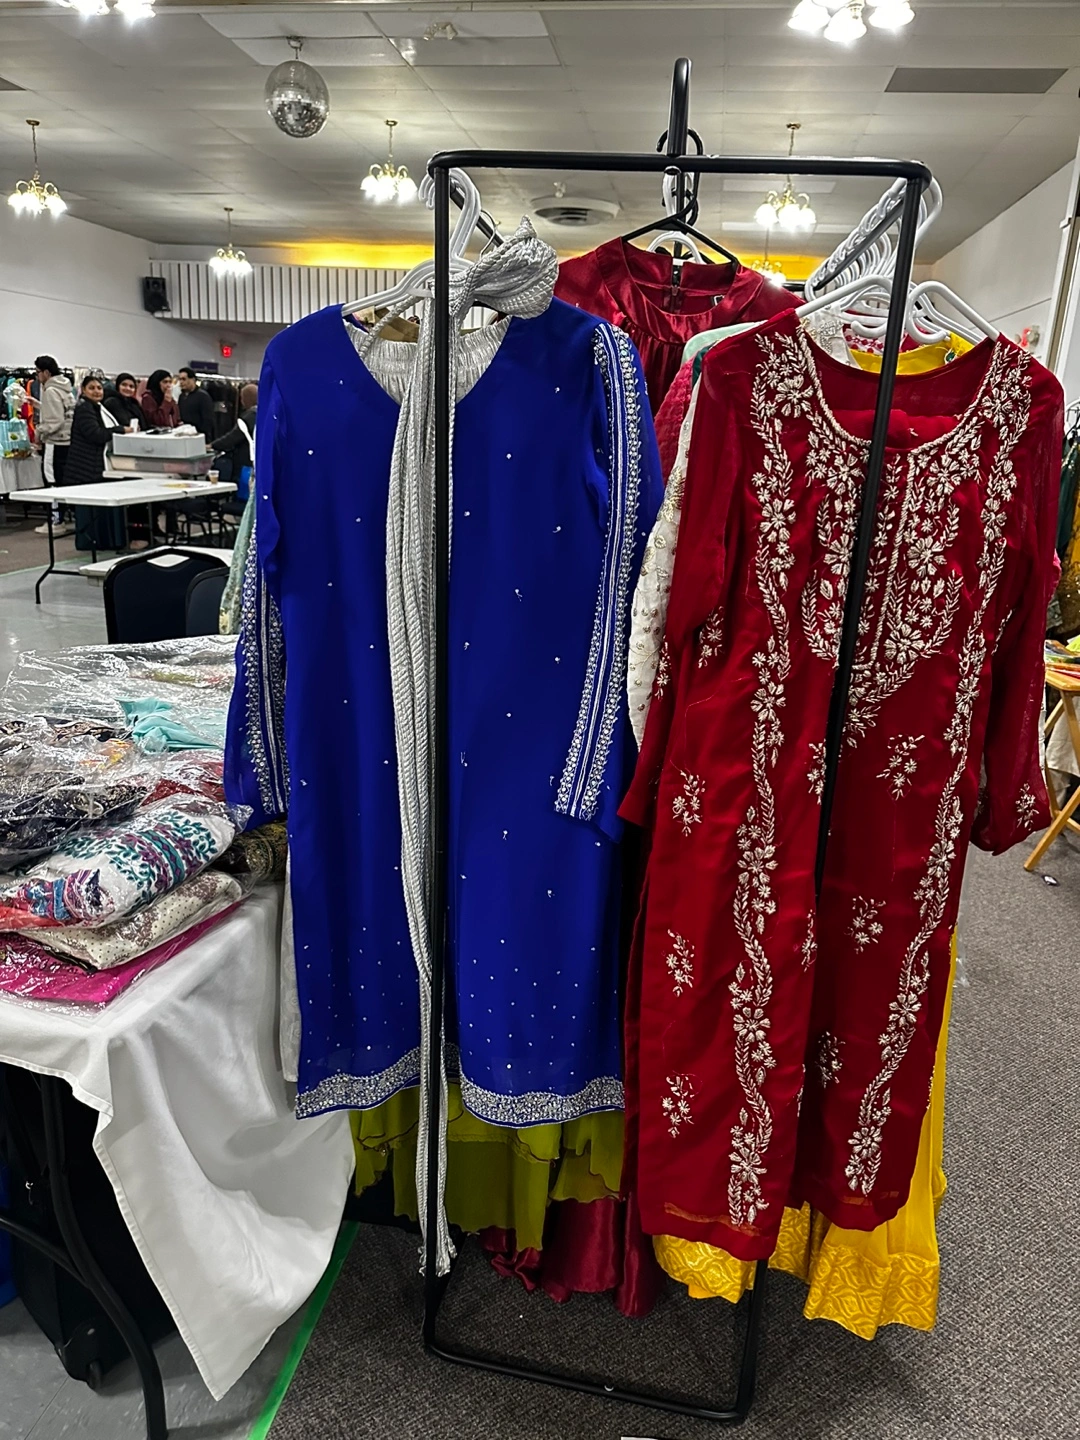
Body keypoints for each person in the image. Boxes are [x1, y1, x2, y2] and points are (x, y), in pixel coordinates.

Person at [67, 374, 130, 553]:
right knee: (89, 510)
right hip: (85, 467)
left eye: (99, 388)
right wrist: (120, 430)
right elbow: (95, 434)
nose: (97, 391)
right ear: (83, 390)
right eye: (92, 388)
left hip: (93, 464)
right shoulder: (85, 409)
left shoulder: (97, 407)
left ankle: (103, 541)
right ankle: (92, 542)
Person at [32, 355, 76, 537]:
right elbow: (62, 413)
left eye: (37, 372)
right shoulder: (65, 388)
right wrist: (39, 406)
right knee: (61, 480)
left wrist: (38, 431)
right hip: (67, 441)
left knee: (52, 480)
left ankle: (55, 521)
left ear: (46, 372)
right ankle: (60, 518)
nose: (36, 377)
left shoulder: (50, 390)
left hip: (55, 442)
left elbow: (54, 421)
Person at [211, 382, 257, 476]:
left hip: (247, 461)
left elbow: (233, 437)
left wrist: (213, 445)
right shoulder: (265, 413)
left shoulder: (250, 416)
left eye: (242, 398)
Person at [176, 366, 214, 440]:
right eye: (180, 379)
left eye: (184, 379)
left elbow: (208, 420)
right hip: (184, 435)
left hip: (199, 436)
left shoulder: (203, 396)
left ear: (193, 380)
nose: (181, 382)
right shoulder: (182, 396)